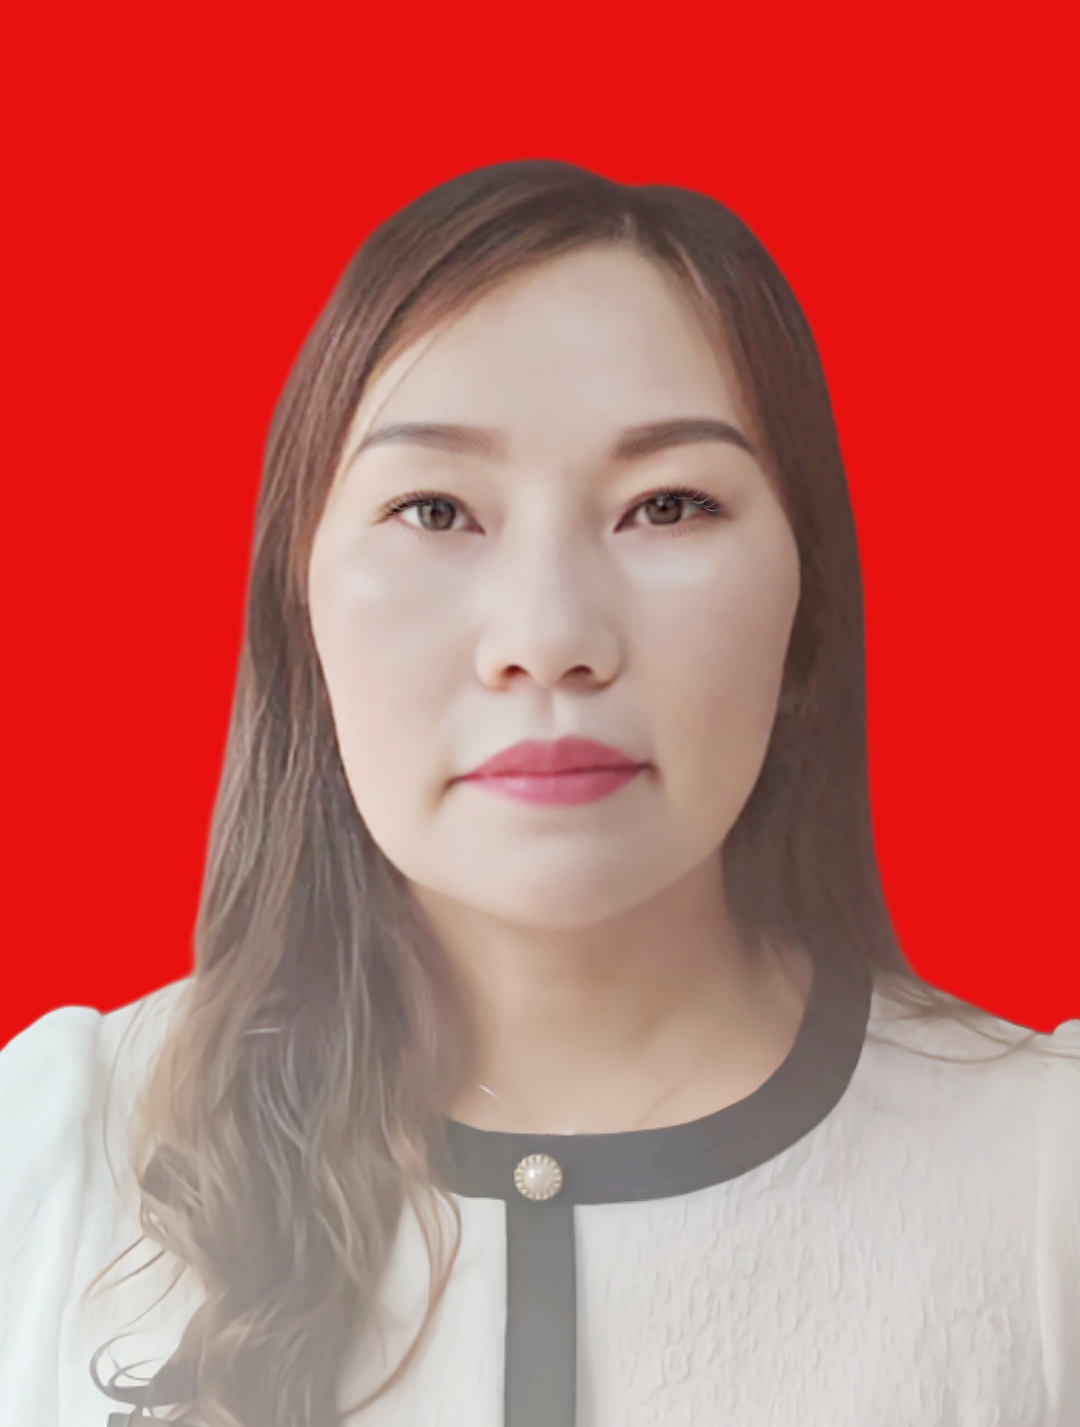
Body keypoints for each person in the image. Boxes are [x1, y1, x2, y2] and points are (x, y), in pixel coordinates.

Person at [1, 159, 1077, 1427]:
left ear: (806, 603)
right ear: (301, 602)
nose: (549, 636)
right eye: (435, 508)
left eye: (667, 505)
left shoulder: (1044, 1178)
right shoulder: (57, 1152)